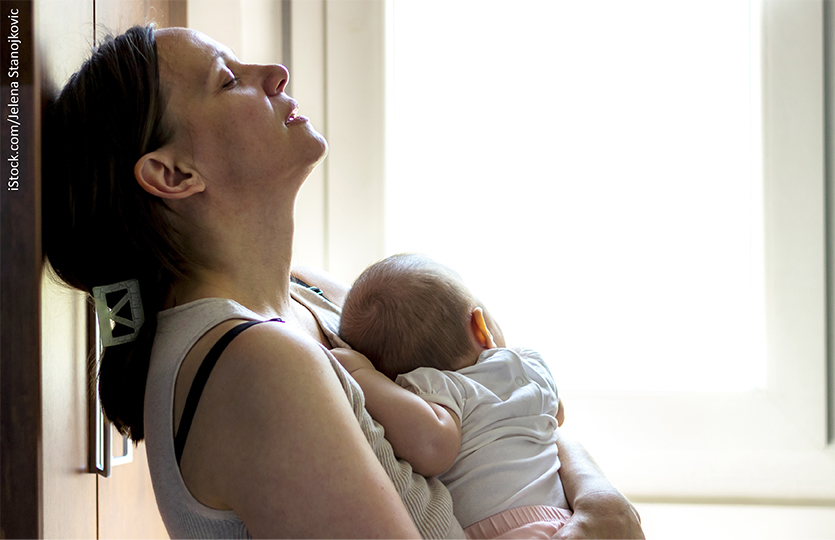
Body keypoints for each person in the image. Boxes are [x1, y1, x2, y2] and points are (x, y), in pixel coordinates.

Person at [41, 24, 644, 539]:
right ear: (173, 174)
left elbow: (506, 400)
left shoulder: (314, 295)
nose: (274, 72)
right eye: (228, 80)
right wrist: (600, 509)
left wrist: (600, 498)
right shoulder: (255, 362)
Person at [336, 253, 570, 539]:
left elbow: (433, 448)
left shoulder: (435, 389)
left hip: (506, 531)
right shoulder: (529, 364)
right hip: (562, 518)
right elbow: (556, 415)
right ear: (480, 327)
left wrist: (361, 374)